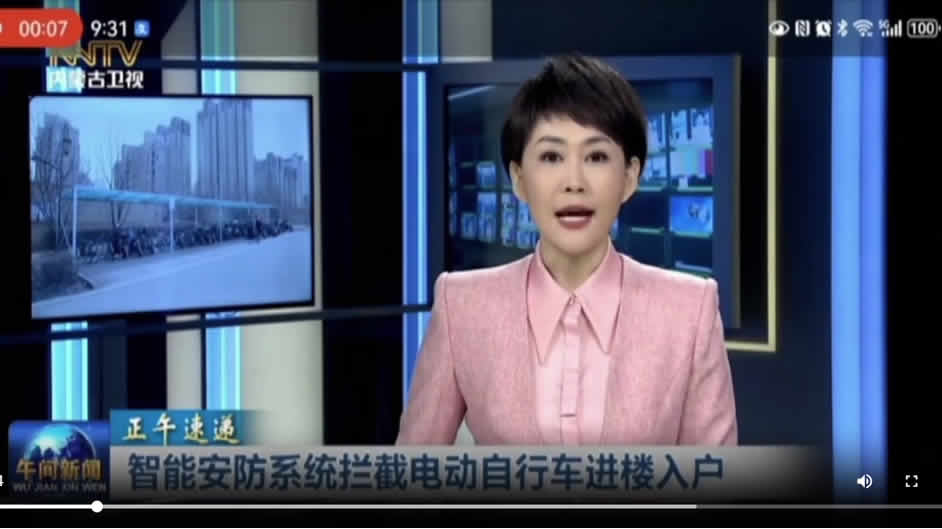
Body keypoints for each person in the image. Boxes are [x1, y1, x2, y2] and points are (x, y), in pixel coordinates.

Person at [397, 54, 737, 446]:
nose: (573, 182)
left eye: (596, 157)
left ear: (630, 177)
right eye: (551, 157)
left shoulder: (689, 310)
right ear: (519, 179)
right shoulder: (462, 305)